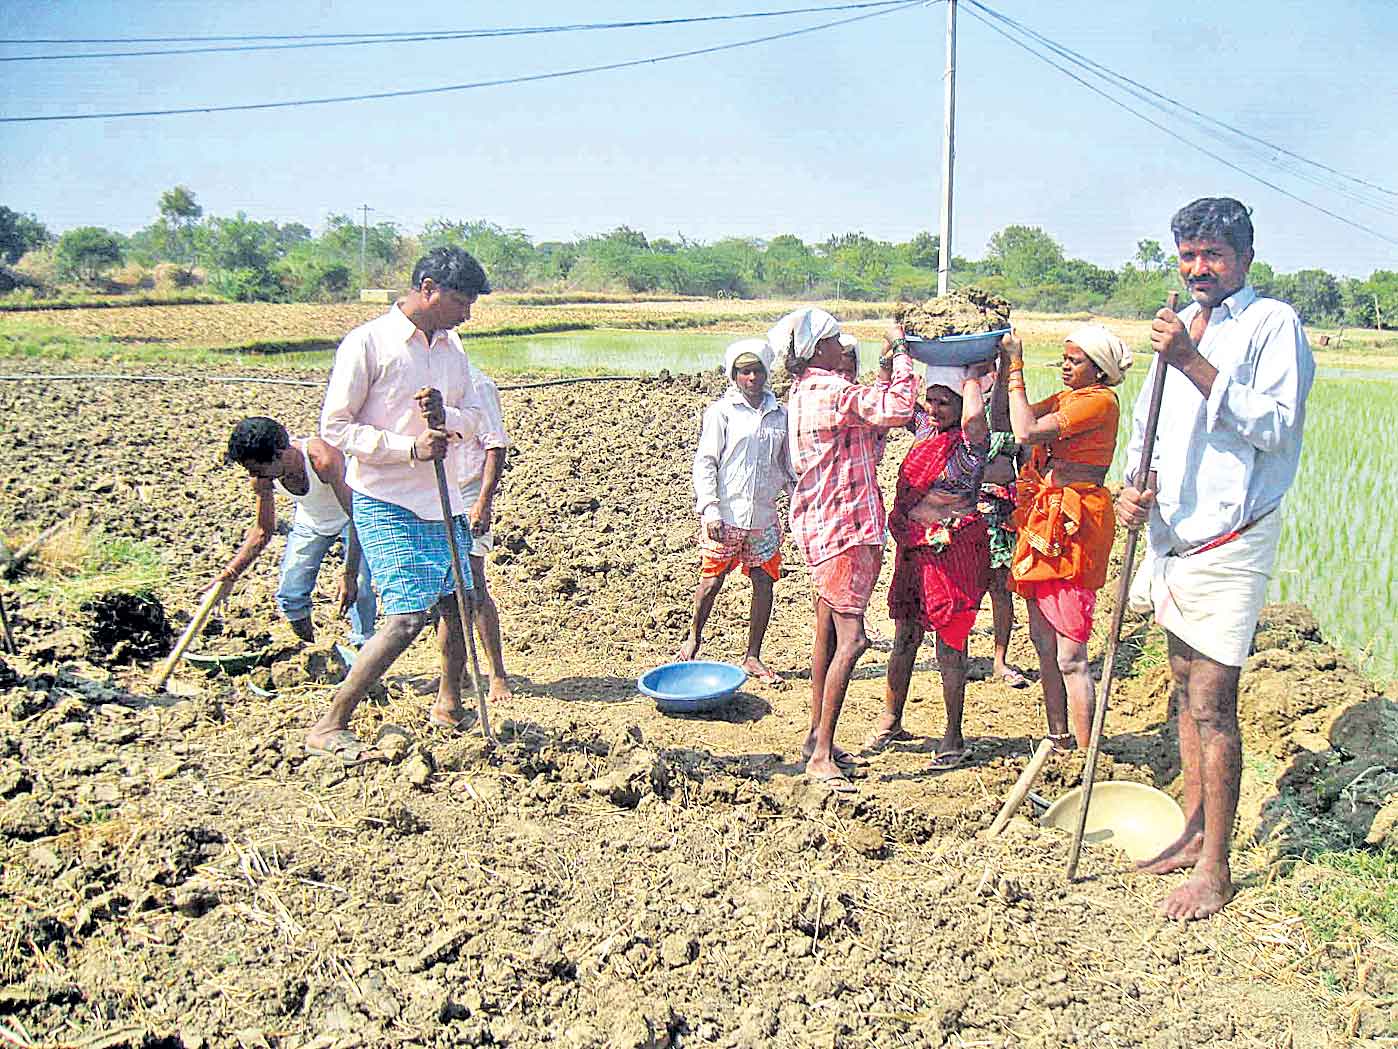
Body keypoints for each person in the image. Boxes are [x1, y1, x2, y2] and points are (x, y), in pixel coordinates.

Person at [1118, 197, 1314, 920]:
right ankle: (1191, 827)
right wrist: (1131, 493)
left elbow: (1276, 427)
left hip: (1234, 536)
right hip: (1175, 534)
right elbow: (1149, 427)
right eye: (1189, 255)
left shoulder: (1271, 325)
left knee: (1212, 701)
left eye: (1214, 255)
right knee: (1177, 683)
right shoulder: (1180, 327)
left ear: (1245, 259)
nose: (1199, 268)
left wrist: (1193, 361)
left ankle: (1217, 868)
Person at [306, 246, 498, 762]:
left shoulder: (453, 350)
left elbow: (475, 415)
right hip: (389, 498)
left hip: (445, 498)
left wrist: (447, 417)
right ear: (429, 288)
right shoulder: (368, 344)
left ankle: (449, 703)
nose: (468, 313)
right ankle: (331, 722)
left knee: (458, 603)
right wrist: (408, 448)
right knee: (408, 617)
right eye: (461, 300)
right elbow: (336, 428)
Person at [780, 307, 916, 793]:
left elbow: (868, 441)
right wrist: (901, 352)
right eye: (839, 341)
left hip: (826, 526)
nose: (845, 348)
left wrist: (880, 372)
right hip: (846, 529)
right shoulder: (829, 391)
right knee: (853, 640)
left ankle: (817, 737)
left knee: (828, 633)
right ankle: (820, 755)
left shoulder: (806, 392)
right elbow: (899, 409)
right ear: (819, 350)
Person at [999, 324, 1133, 752]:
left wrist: (1017, 366)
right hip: (1046, 518)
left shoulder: (1099, 402)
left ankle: (1087, 752)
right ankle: (1059, 739)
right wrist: (1003, 367)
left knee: (1070, 655)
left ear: (1099, 370)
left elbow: (1025, 432)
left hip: (1077, 523)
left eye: (1074, 361)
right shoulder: (1068, 399)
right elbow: (1007, 418)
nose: (1064, 367)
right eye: (1064, 359)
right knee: (1043, 643)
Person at [872, 365, 993, 770]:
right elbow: (899, 403)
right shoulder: (927, 432)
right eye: (933, 399)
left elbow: (976, 417)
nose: (936, 408)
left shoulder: (972, 443)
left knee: (951, 646)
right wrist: (893, 358)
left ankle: (953, 737)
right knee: (905, 635)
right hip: (915, 551)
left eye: (947, 402)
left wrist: (975, 374)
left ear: (963, 405)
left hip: (952, 554)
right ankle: (891, 721)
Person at [677, 338, 792, 685]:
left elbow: (787, 467)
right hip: (726, 515)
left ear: (766, 373)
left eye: (757, 371)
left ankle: (753, 656)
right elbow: (706, 462)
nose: (752, 378)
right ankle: (694, 638)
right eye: (745, 372)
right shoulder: (721, 412)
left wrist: (799, 501)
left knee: (764, 583)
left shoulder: (781, 414)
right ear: (734, 376)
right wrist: (709, 509)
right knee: (712, 581)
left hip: (763, 517)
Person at [217, 418, 376, 646]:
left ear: (279, 453)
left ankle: (365, 650)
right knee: (291, 593)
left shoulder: (323, 461)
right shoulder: (262, 479)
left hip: (351, 519)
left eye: (258, 469)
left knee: (359, 590)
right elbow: (263, 530)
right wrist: (231, 573)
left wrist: (349, 575)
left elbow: (358, 519)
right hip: (311, 522)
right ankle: (310, 654)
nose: (254, 476)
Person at [455, 361, 513, 703]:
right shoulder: (428, 380)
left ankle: (497, 674)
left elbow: (495, 445)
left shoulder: (476, 383)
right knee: (443, 590)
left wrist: (483, 501)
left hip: (468, 491)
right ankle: (458, 671)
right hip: (434, 493)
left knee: (475, 584)